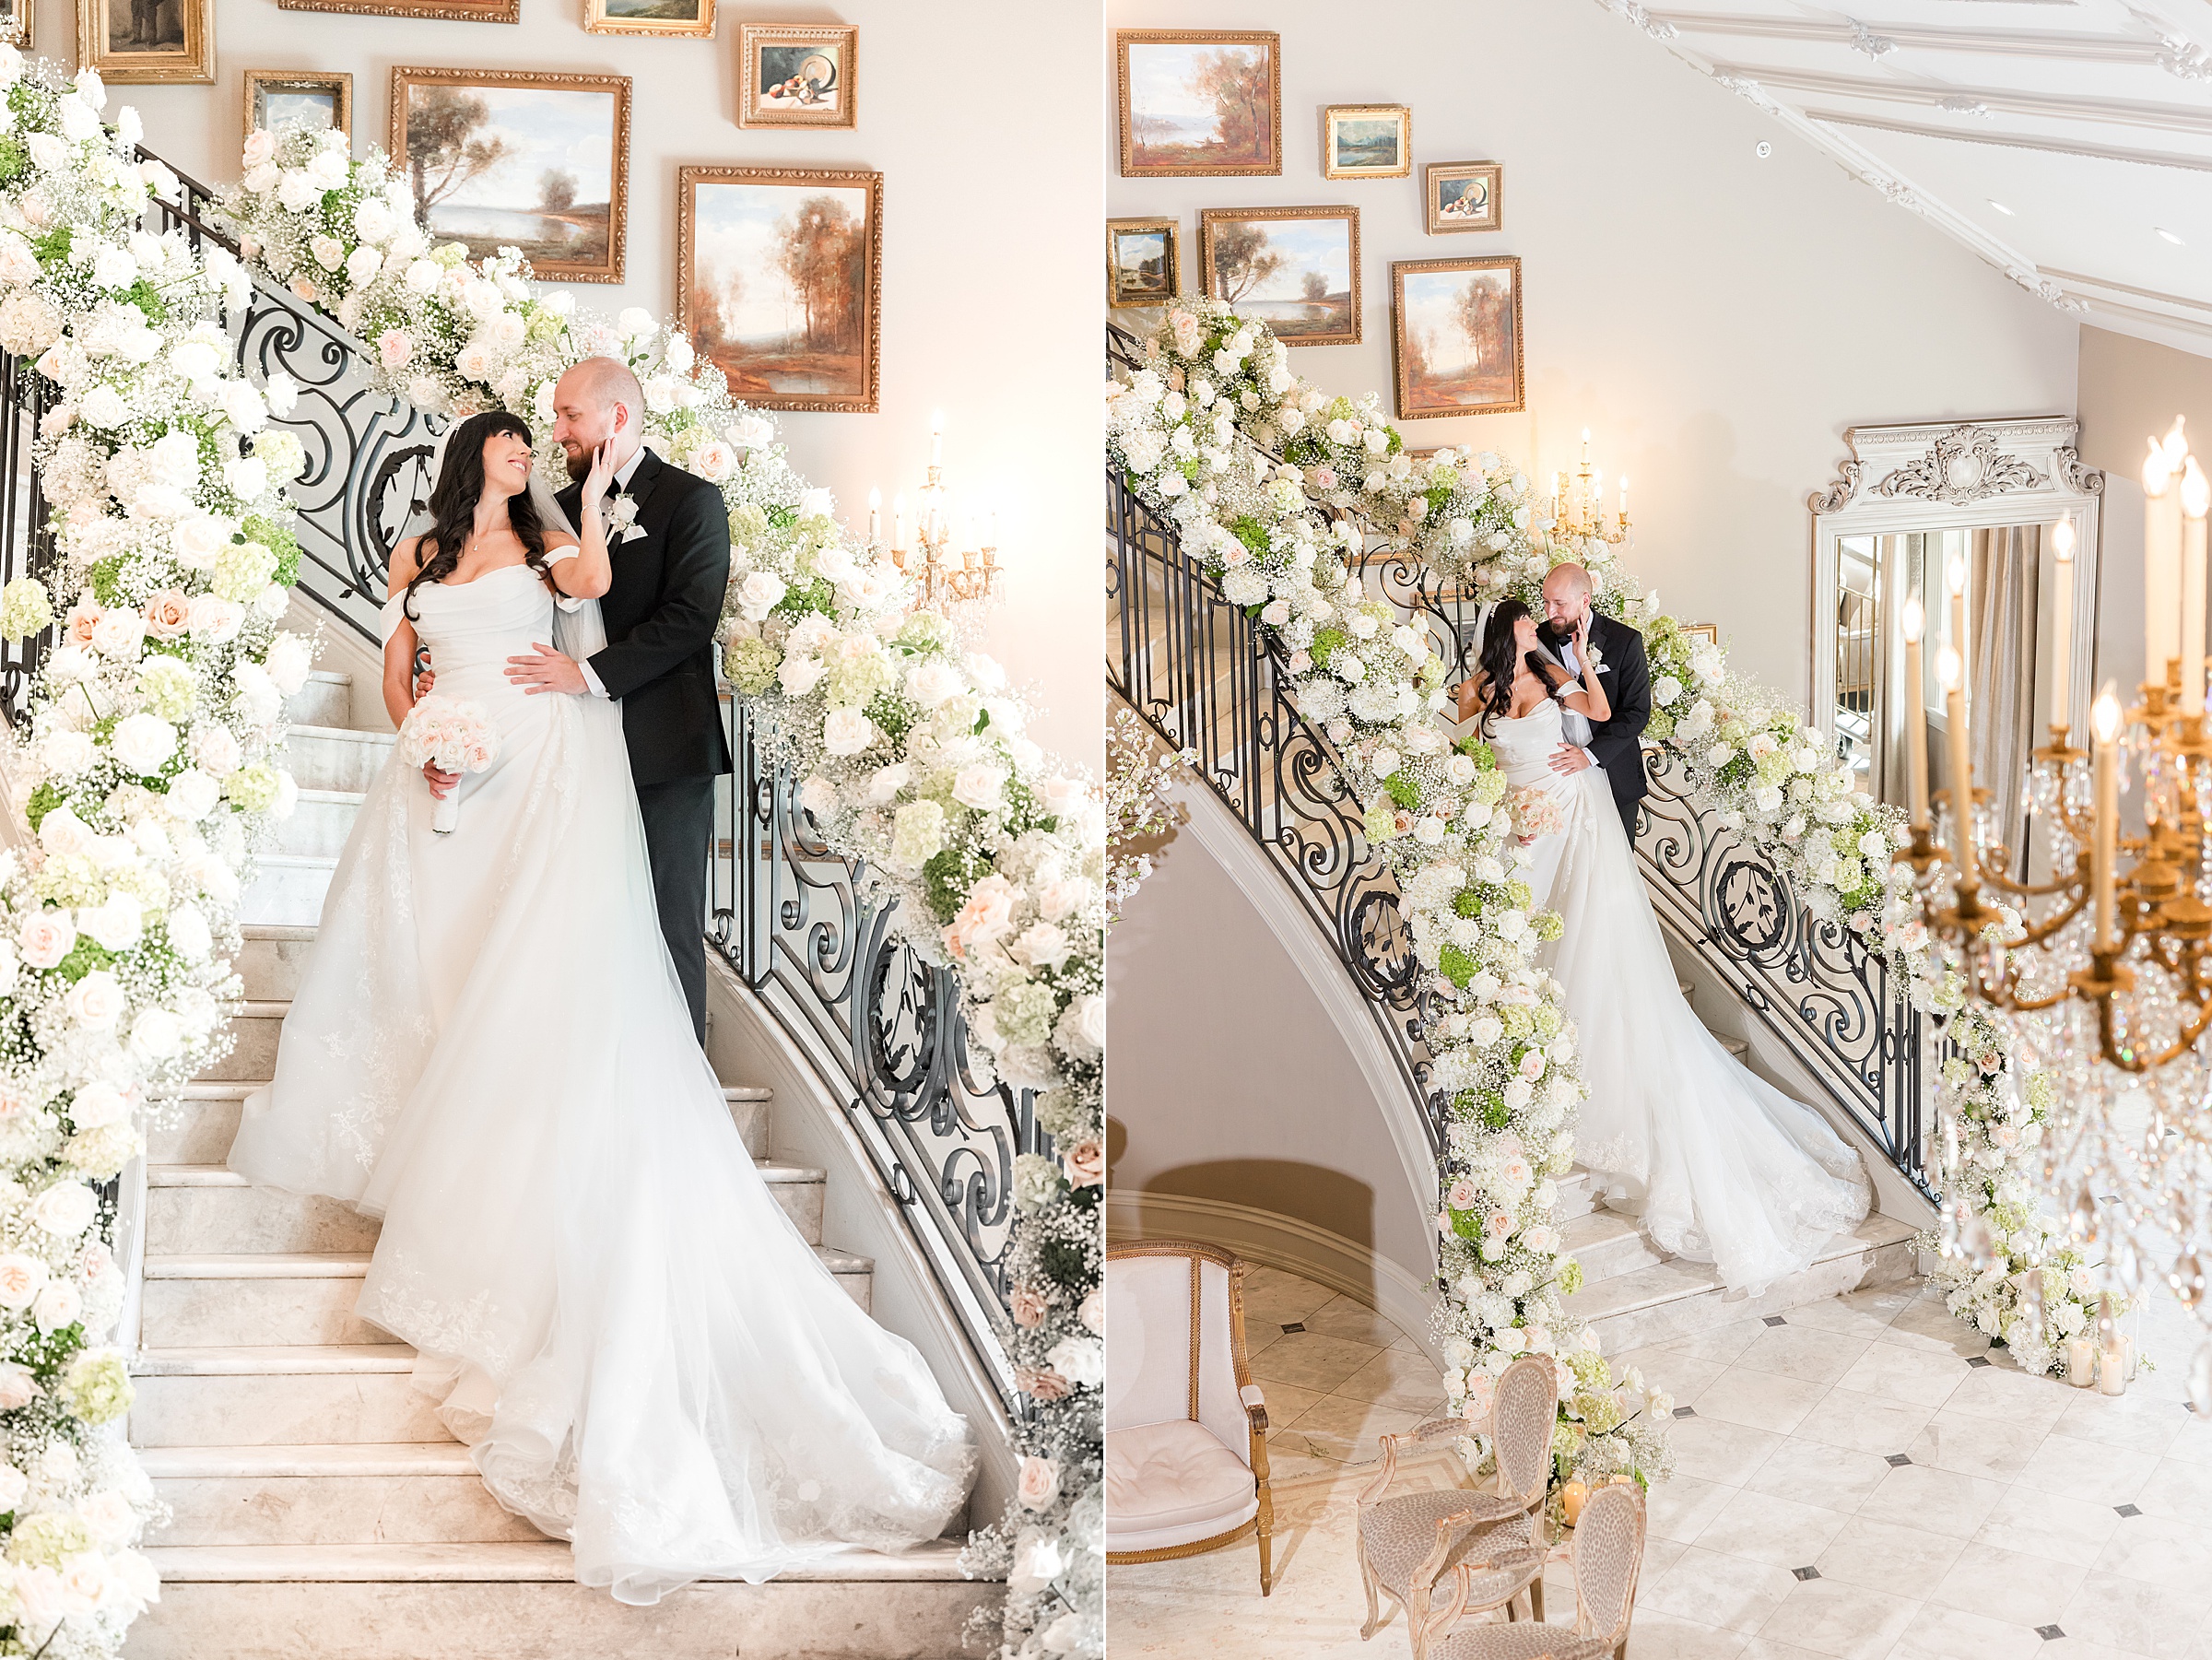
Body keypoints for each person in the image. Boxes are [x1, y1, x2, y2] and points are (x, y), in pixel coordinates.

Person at [227, 408, 975, 1604]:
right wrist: (422, 731)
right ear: (477, 457)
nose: (532, 457)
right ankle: (434, 1112)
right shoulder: (420, 555)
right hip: (447, 762)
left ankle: (493, 1136)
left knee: (526, 963)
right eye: (518, 448)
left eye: (546, 441)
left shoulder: (548, 540)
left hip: (541, 759)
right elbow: (396, 661)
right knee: (436, 960)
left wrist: (587, 497)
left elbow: (600, 582)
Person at [1463, 598, 1870, 1295]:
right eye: (1528, 621)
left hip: (1569, 814)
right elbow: (1458, 722)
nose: (1538, 626)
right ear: (1507, 631)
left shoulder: (1549, 665)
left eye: (1544, 616)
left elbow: (1596, 711)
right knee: (1527, 944)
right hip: (1522, 824)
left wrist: (1578, 678)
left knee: (1584, 947)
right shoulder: (1491, 679)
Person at [429, 357, 732, 1044]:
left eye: (570, 416)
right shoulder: (549, 511)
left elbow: (690, 618)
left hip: (662, 747)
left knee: (666, 921)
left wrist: (588, 674)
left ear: (616, 418)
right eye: (558, 417)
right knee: (570, 919)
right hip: (557, 746)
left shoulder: (691, 500)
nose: (557, 432)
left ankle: (678, 1094)